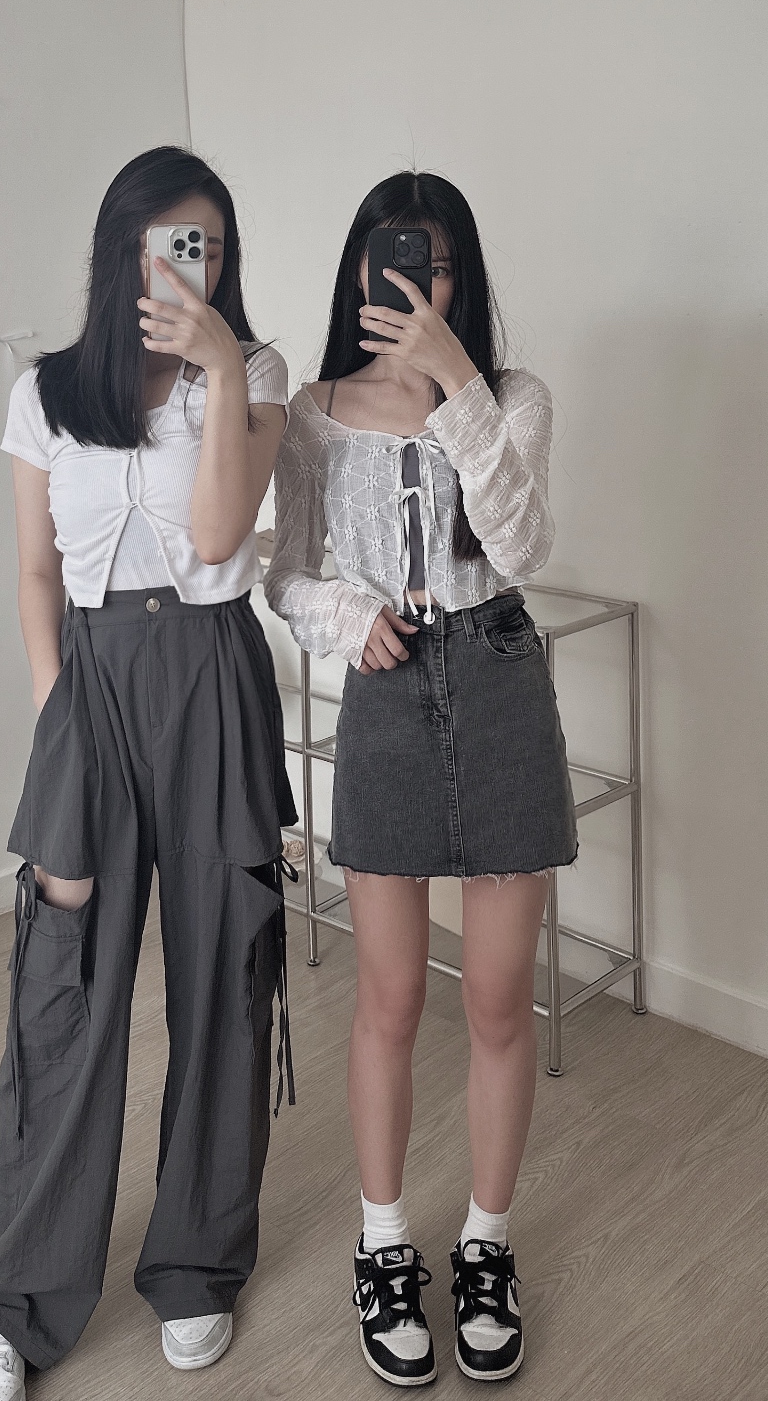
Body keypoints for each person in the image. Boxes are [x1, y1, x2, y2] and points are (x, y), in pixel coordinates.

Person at [0, 146, 297, 1400]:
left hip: (211, 670)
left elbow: (218, 535)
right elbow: (36, 571)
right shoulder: (45, 391)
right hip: (89, 683)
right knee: (63, 981)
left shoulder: (256, 374)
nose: (187, 266)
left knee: (223, 965)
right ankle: (12, 1296)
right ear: (121, 252)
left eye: (208, 247)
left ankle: (197, 1260)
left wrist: (218, 365)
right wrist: (62, 722)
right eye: (166, 244)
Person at [265, 170, 575, 1387]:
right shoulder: (310, 411)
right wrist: (346, 615)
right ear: (358, 267)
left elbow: (523, 546)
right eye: (393, 258)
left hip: (498, 680)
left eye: (435, 263)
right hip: (386, 696)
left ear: (462, 276)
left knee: (497, 999)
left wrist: (455, 383)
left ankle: (486, 1243)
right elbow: (282, 571)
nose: (413, 280)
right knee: (389, 997)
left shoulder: (511, 396)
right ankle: (382, 1241)